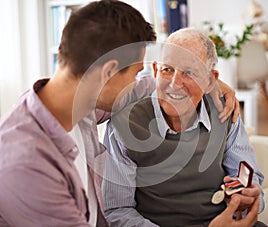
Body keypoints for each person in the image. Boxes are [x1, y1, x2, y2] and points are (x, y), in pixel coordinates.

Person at [0, 1, 240, 226]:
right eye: (134, 73)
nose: (136, 82)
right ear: (108, 72)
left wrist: (209, 83)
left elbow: (151, 86)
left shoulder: (80, 105)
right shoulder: (28, 166)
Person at [102, 28, 265, 227]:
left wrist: (249, 197)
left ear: (211, 80)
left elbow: (250, 178)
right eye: (167, 69)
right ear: (155, 71)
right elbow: (117, 210)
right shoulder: (123, 126)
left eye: (189, 72)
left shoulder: (225, 112)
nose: (174, 84)